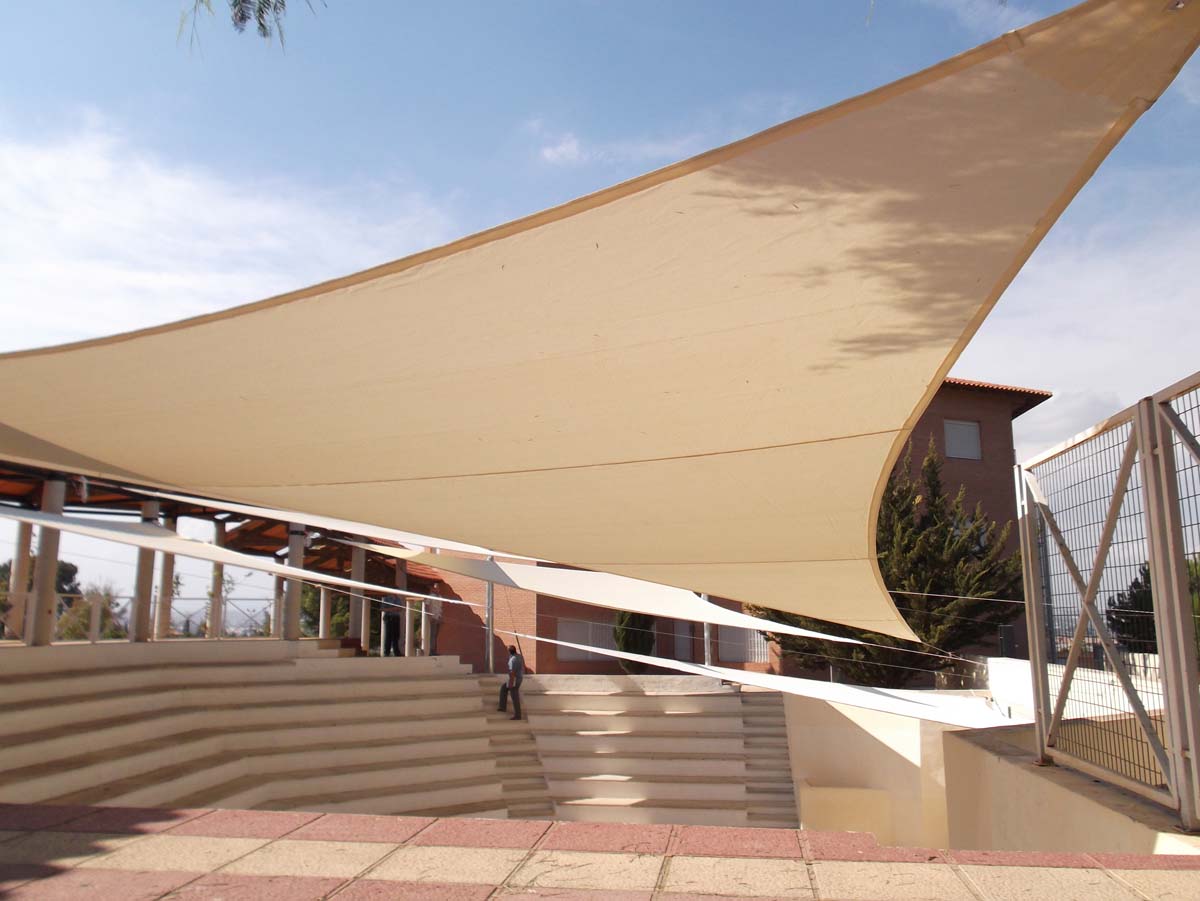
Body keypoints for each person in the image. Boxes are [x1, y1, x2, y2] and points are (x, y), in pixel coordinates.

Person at [498, 644, 525, 720]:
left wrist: (511, 682)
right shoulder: (519, 656)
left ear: (509, 652)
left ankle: (518, 715)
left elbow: (512, 672)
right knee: (504, 688)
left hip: (514, 679)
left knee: (514, 697)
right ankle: (502, 707)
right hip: (519, 678)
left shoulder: (512, 660)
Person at [425, 588, 443, 656]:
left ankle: (435, 650)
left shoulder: (440, 597)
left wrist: (441, 617)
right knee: (432, 634)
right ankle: (431, 651)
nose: (437, 590)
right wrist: (429, 615)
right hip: (433, 617)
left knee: (436, 635)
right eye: (436, 588)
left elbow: (440, 608)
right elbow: (426, 605)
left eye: (438, 588)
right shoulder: (430, 596)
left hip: (438, 617)